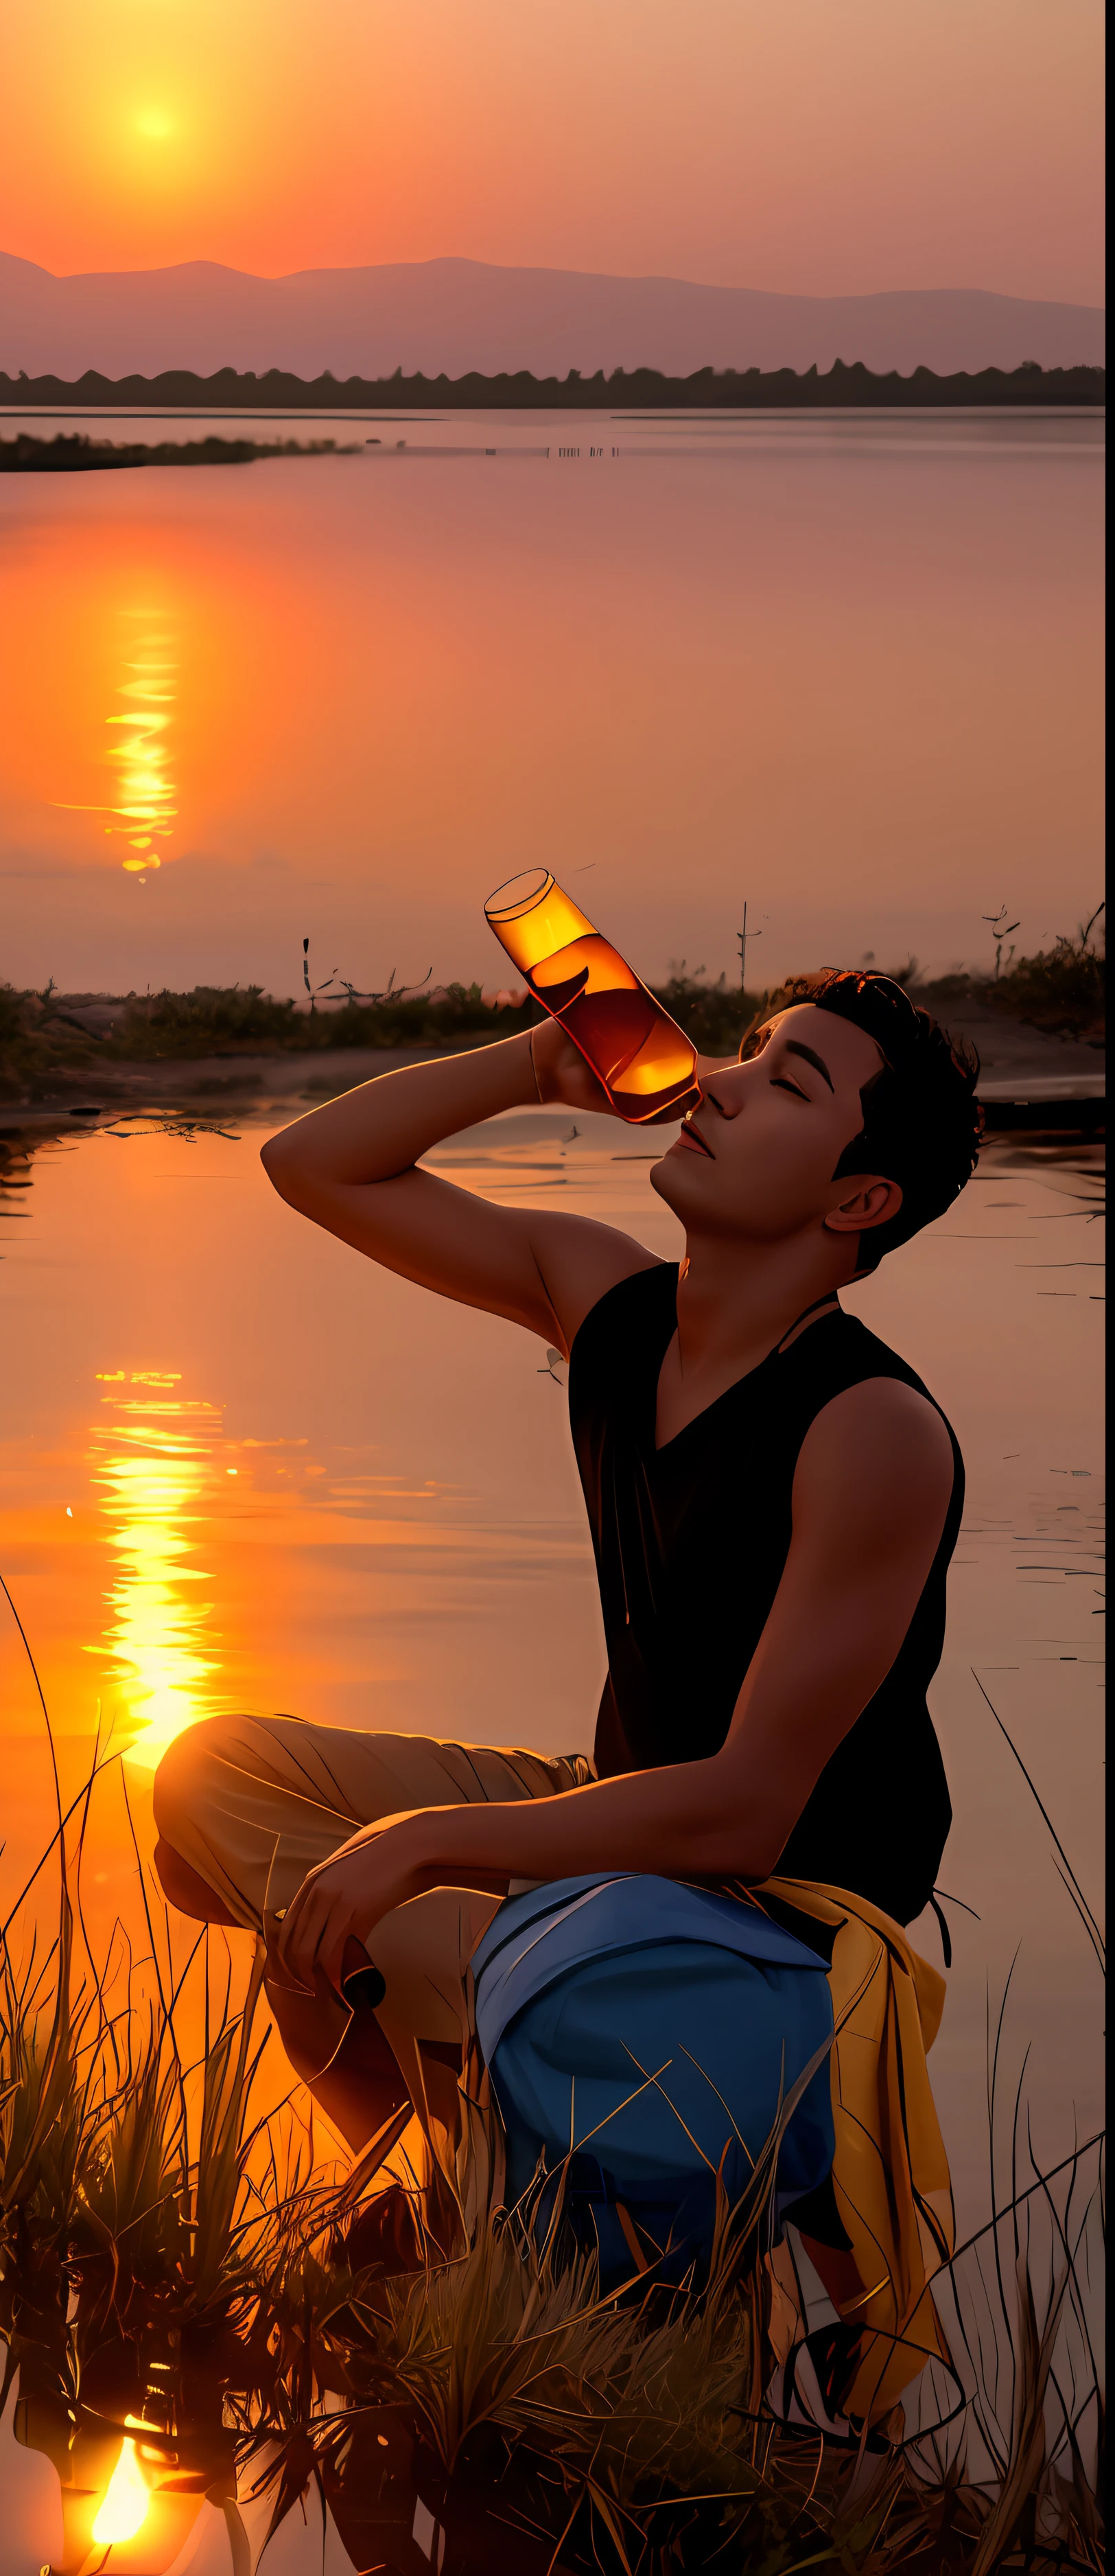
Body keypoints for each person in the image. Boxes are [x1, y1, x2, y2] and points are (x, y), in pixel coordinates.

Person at [153, 968, 980, 2413]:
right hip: (611, 1821)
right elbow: (311, 1164)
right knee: (210, 1777)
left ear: (858, 1201)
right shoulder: (605, 1302)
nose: (716, 1081)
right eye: (738, 1052)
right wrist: (536, 1062)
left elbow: (743, 1808)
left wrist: (412, 1841)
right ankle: (471, 2200)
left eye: (785, 1084)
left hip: (773, 1926)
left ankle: (575, 2217)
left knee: (407, 1921)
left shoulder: (869, 1427)